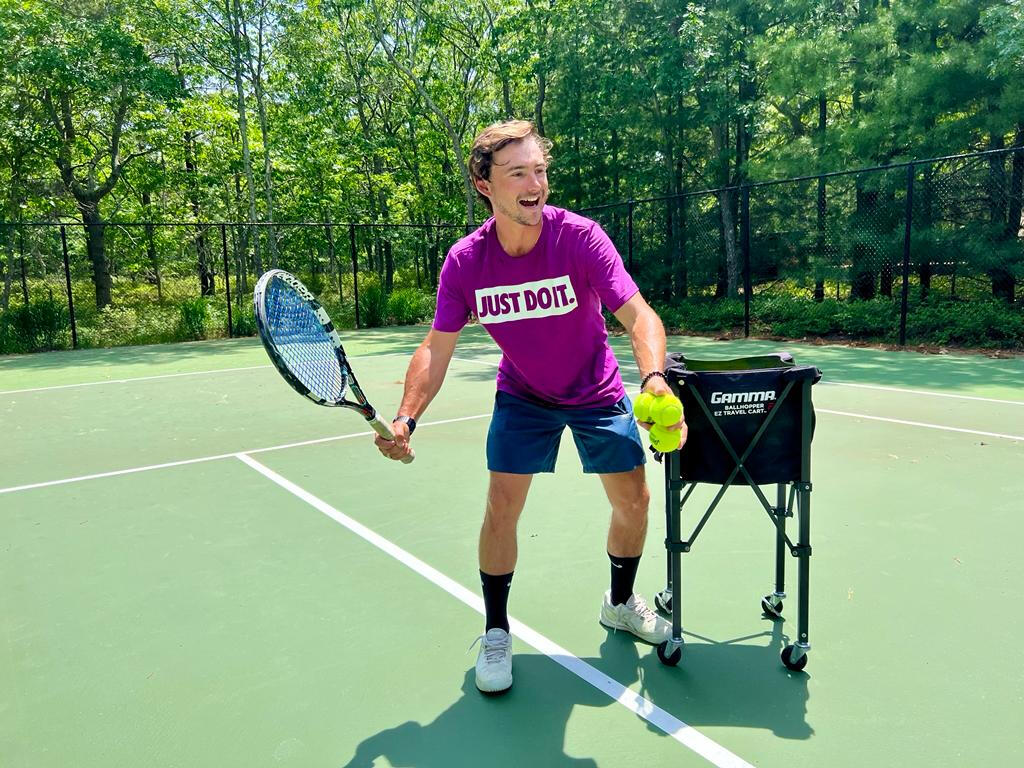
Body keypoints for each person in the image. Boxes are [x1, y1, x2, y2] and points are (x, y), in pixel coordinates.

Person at [375, 120, 686, 695]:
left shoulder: (580, 238)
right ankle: (496, 630)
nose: (534, 184)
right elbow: (436, 348)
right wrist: (406, 417)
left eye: (539, 171)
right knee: (501, 508)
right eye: (517, 172)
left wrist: (655, 379)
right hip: (523, 395)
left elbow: (639, 315)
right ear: (484, 184)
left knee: (634, 503)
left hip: (596, 390)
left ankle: (619, 603)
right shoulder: (466, 262)